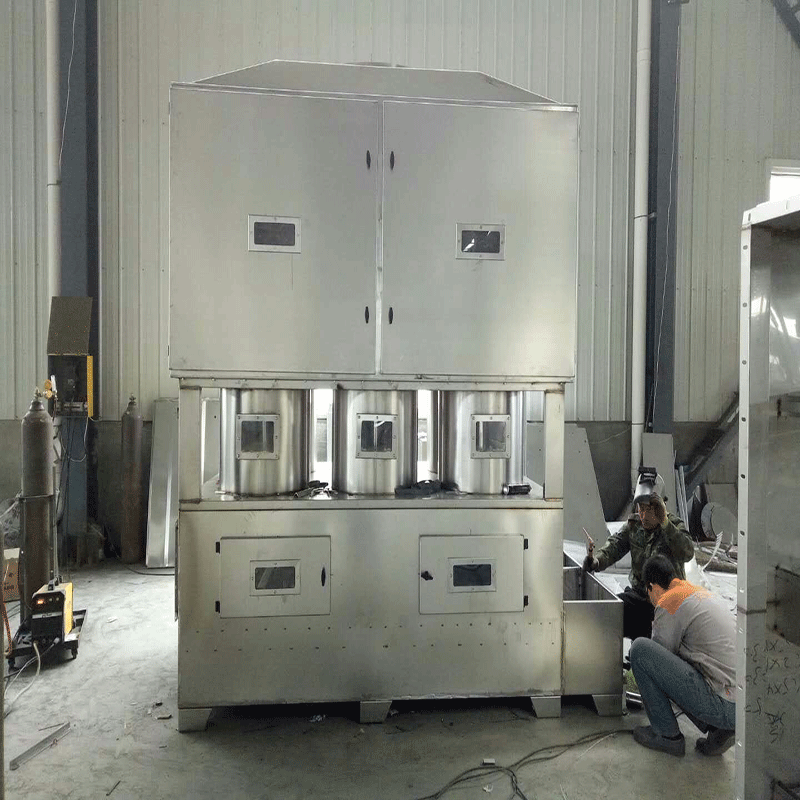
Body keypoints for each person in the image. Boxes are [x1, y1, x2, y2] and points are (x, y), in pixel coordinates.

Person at [629, 554, 736, 757]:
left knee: (640, 650)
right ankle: (720, 730)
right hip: (742, 704)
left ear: (652, 587)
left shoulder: (669, 601)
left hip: (724, 704)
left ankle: (667, 735)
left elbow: (658, 661)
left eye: (648, 592)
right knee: (689, 659)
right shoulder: (696, 591)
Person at [583, 492, 694, 640]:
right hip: (640, 598)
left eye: (649, 510)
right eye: (641, 509)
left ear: (662, 507)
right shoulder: (634, 525)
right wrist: (596, 561)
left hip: (668, 604)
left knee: (656, 644)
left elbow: (687, 552)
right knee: (608, 614)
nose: (644, 515)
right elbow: (615, 546)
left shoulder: (673, 526)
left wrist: (665, 523)